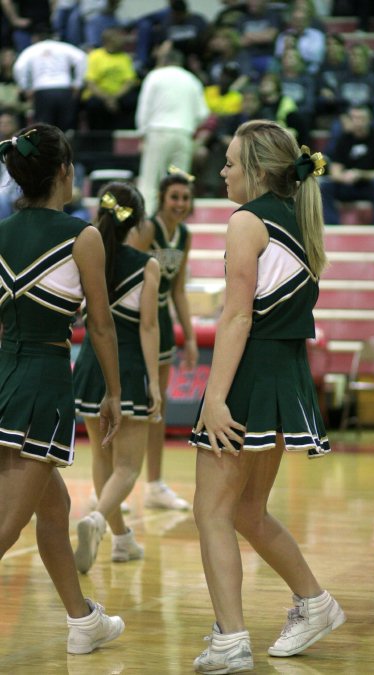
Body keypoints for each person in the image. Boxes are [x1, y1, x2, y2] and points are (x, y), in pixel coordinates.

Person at [189, 120, 346, 673]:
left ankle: (231, 640)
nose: (224, 170)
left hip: (251, 377)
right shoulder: (299, 223)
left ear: (256, 169)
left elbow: (236, 316)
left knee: (211, 510)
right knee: (248, 511)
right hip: (285, 378)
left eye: (231, 162)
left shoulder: (247, 222)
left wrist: (213, 397)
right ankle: (316, 602)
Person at [0, 123, 124, 653]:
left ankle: (82, 621)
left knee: (53, 511)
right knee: (5, 526)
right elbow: (100, 324)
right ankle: (82, 621)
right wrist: (114, 393)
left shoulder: (0, 233)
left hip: (4, 373)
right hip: (44, 382)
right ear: (64, 172)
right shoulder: (83, 236)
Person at [73, 181, 161, 573]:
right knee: (127, 467)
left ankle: (122, 540)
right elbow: (148, 327)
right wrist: (155, 384)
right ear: (137, 223)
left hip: (90, 366)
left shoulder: (86, 258)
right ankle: (96, 520)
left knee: (101, 457)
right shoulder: (147, 265)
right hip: (126, 370)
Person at [127, 170, 197, 510]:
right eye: (174, 197)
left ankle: (154, 485)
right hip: (134, 323)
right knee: (127, 402)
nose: (180, 204)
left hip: (163, 326)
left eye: (185, 197)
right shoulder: (147, 229)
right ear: (162, 198)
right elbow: (124, 275)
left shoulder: (185, 235)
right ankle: (111, 482)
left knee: (159, 406)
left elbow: (179, 290)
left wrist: (192, 337)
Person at [135, 45, 209, 214]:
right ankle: (177, 223)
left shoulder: (155, 76)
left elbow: (144, 108)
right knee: (180, 182)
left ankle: (145, 223)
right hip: (184, 133)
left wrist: (142, 133)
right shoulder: (192, 80)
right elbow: (203, 113)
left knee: (150, 182)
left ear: (164, 60)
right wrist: (189, 124)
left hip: (158, 131)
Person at [319, 105, 374, 226]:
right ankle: (332, 225)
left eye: (362, 118)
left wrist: (361, 174)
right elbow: (334, 172)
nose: (358, 122)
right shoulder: (343, 139)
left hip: (368, 186)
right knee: (325, 186)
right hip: (347, 185)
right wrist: (345, 177)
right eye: (355, 118)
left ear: (369, 120)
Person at [12, 29, 87, 131]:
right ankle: (67, 146)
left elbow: (19, 67)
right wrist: (78, 84)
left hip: (42, 90)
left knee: (44, 129)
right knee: (67, 127)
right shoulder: (63, 46)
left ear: (36, 38)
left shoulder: (32, 49)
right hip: (64, 88)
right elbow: (82, 58)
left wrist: (26, 88)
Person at [82, 27, 140, 131]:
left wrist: (114, 98)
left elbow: (130, 81)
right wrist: (107, 98)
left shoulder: (124, 57)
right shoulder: (95, 56)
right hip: (99, 96)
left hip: (119, 95)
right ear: (108, 41)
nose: (122, 42)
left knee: (132, 101)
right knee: (93, 104)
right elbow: (90, 82)